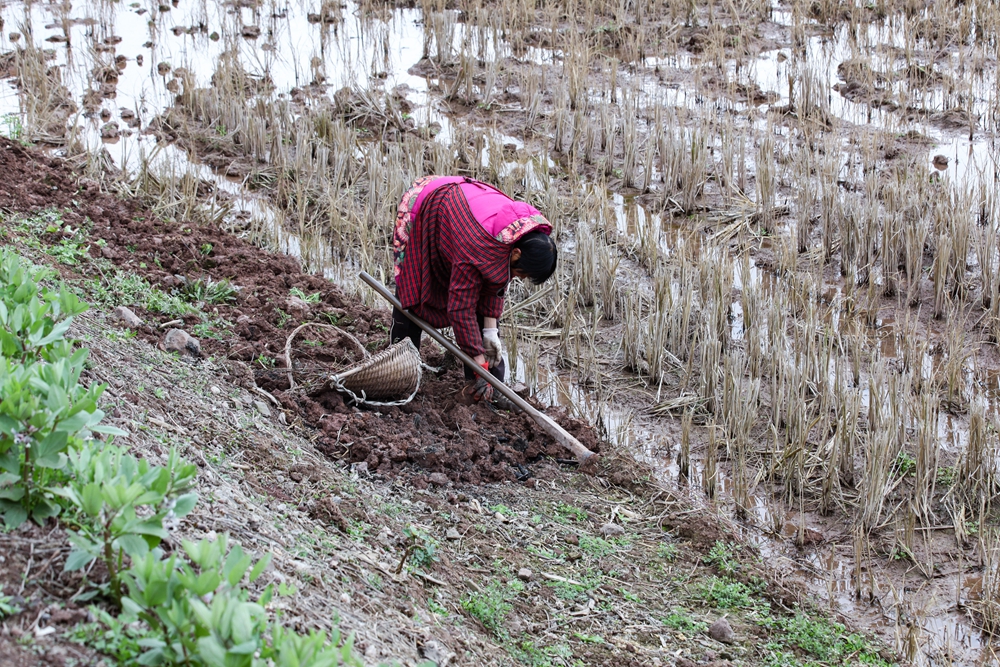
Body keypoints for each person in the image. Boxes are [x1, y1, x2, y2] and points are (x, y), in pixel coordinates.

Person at [390, 175, 558, 402]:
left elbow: (495, 282)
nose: (517, 278)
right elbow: (460, 308)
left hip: (466, 214)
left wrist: (490, 332)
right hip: (428, 207)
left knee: (482, 319)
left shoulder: (518, 235)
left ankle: (490, 389)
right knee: (415, 288)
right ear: (516, 253)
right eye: (522, 273)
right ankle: (399, 370)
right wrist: (478, 359)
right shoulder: (478, 245)